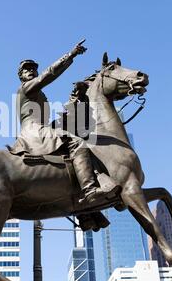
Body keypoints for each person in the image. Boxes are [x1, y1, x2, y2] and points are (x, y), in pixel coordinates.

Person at [9, 41, 120, 206]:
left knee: (79, 138)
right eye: (26, 69)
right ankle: (89, 190)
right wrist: (71, 55)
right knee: (77, 143)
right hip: (33, 131)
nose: (31, 70)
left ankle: (86, 213)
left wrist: (74, 100)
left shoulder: (38, 94)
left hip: (43, 128)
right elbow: (50, 73)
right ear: (20, 75)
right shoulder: (26, 88)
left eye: (33, 68)